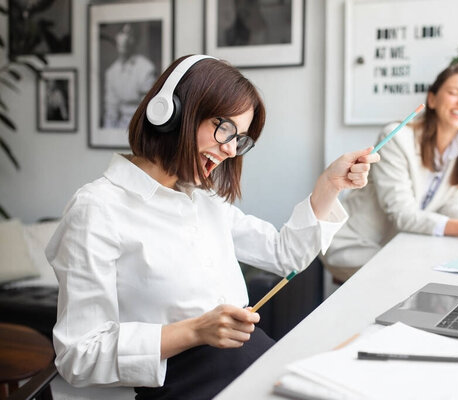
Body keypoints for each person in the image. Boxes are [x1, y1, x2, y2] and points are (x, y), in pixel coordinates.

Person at [45, 55, 380, 399]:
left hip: (249, 364)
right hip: (188, 385)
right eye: (225, 129)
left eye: (241, 139)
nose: (231, 149)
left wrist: (329, 185)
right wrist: (195, 331)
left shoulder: (204, 199)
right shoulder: (97, 208)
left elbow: (285, 255)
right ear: (171, 113)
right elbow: (78, 356)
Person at [322, 62, 458, 283]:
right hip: (353, 245)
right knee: (419, 278)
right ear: (432, 99)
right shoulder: (396, 138)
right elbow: (404, 215)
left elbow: (450, 207)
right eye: (454, 93)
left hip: (393, 247)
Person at [103, 23, 156, 129]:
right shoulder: (111, 72)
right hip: (119, 130)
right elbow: (111, 111)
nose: (125, 39)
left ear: (135, 41)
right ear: (117, 37)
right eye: (122, 33)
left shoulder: (146, 69)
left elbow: (149, 112)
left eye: (130, 35)